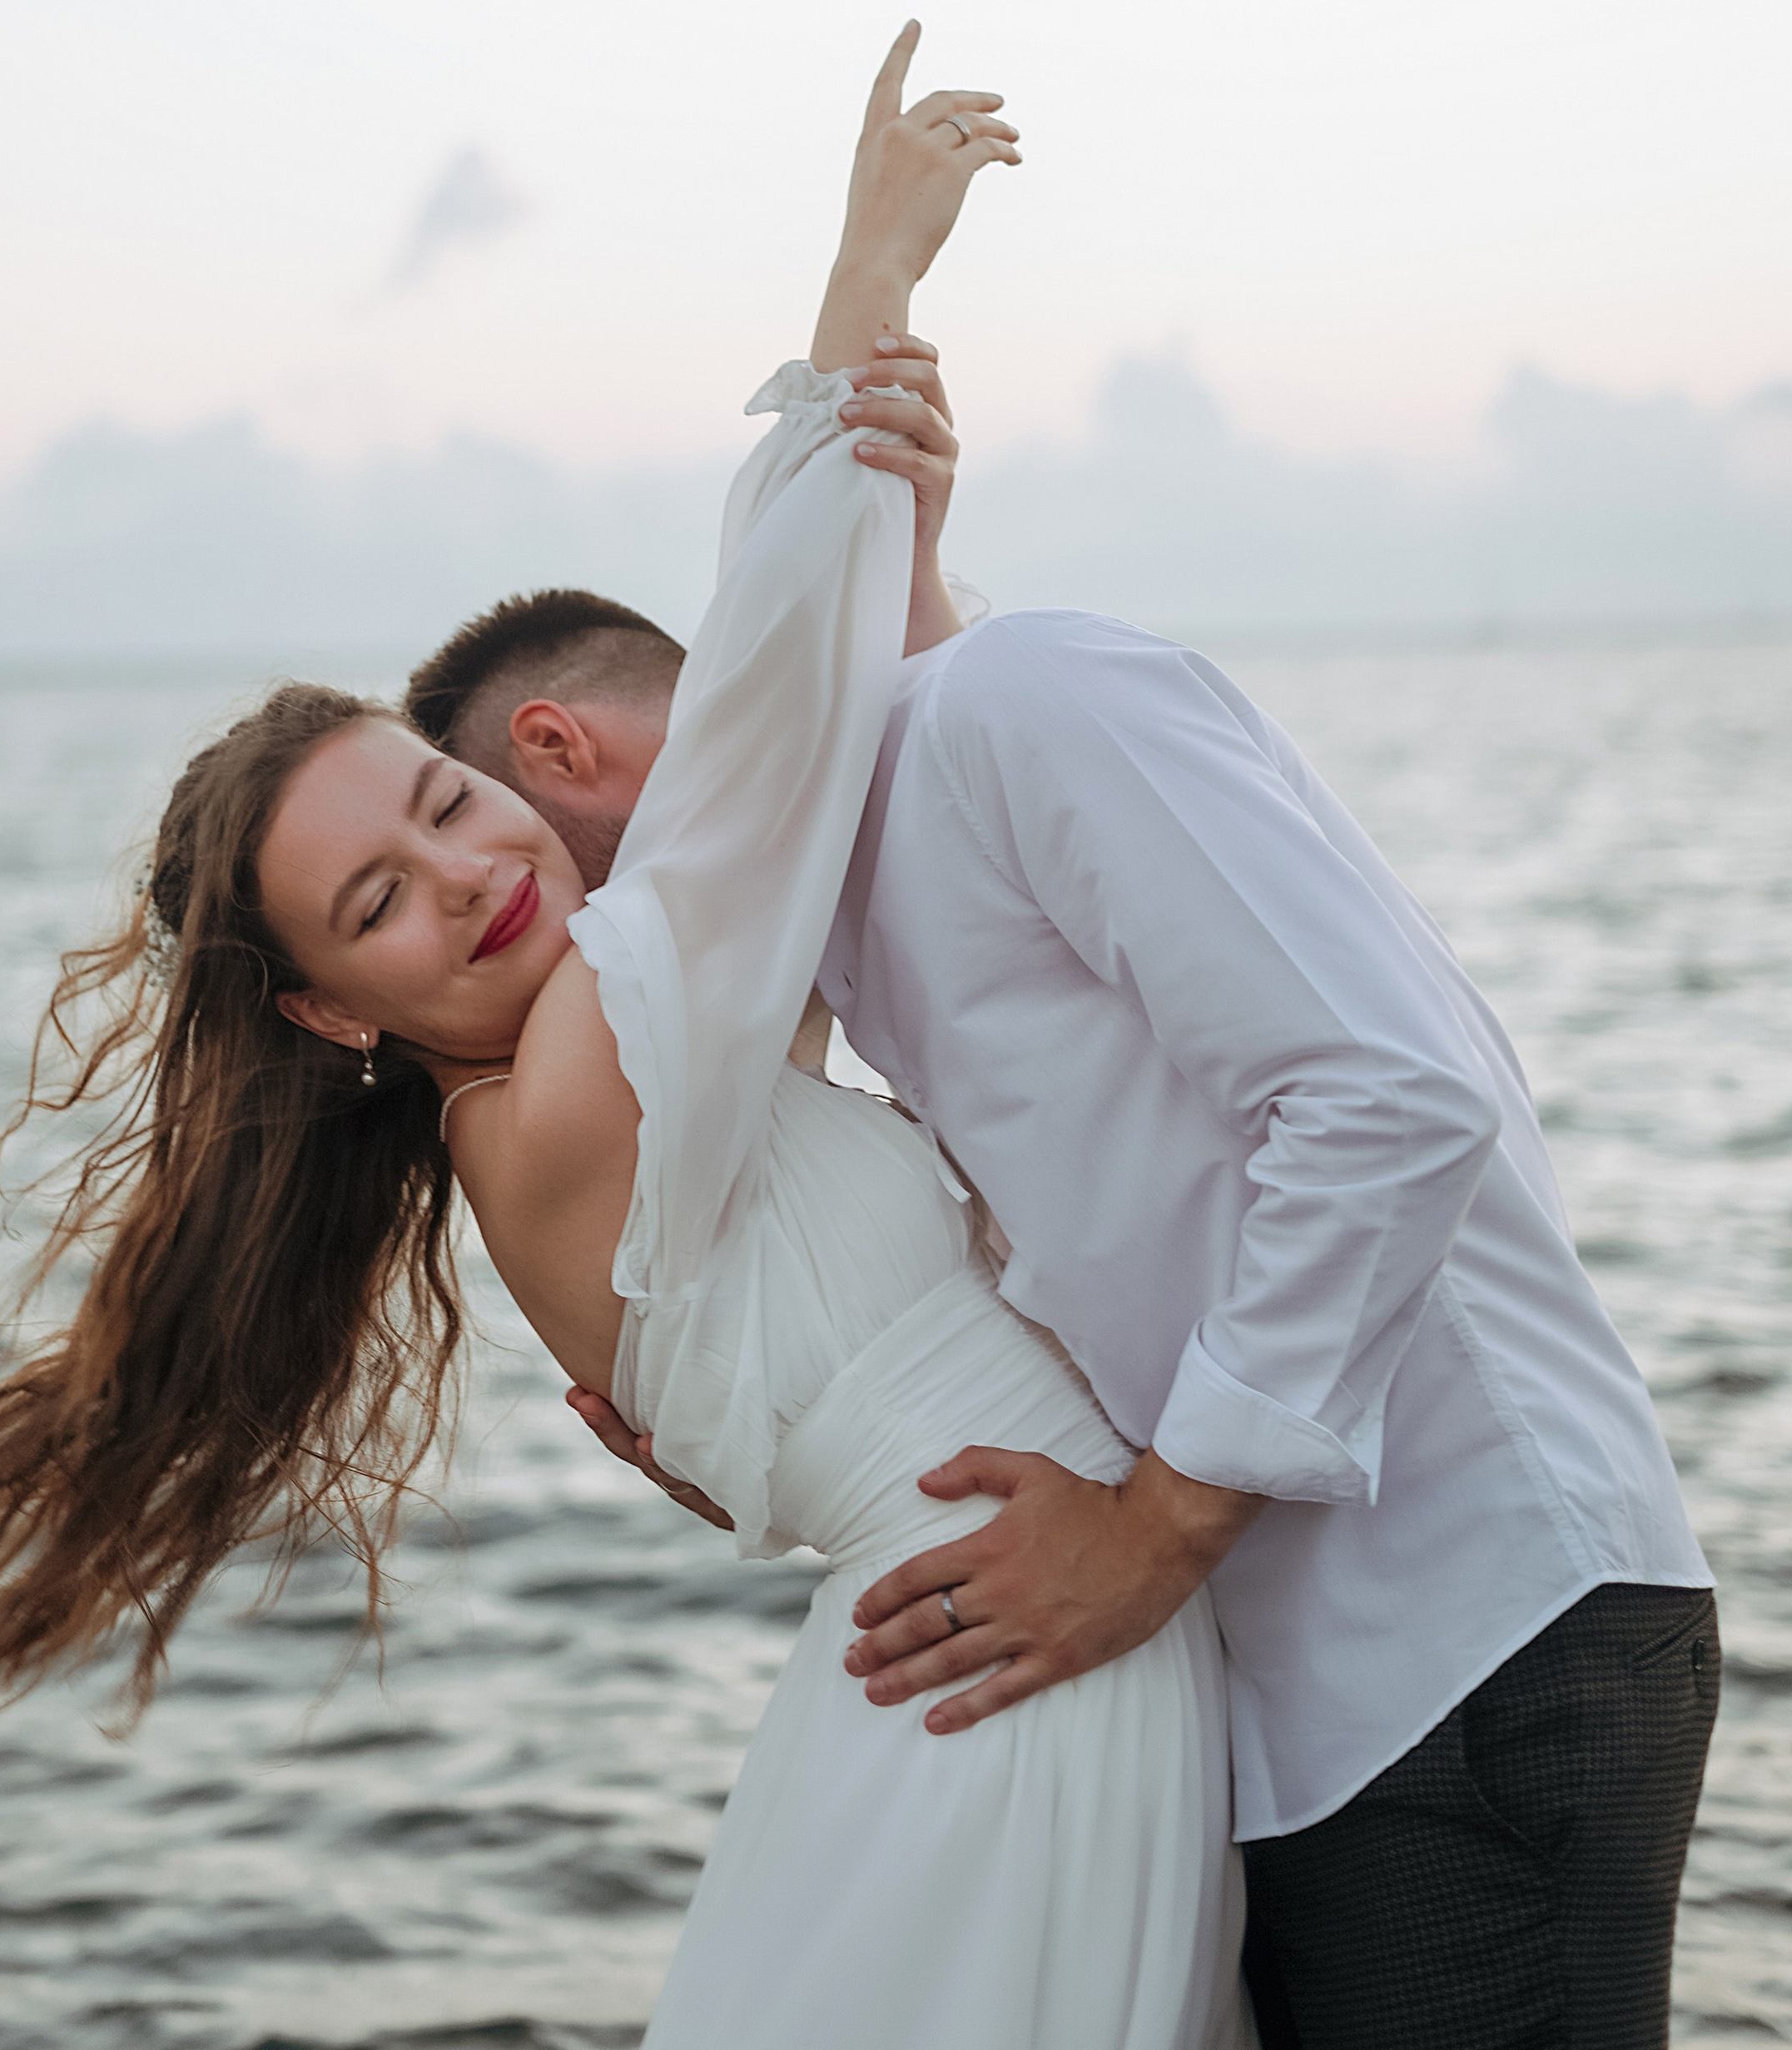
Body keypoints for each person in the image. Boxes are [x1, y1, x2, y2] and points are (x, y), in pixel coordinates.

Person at [0, 30, 1253, 2050]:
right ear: (333, 1010)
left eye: (441, 803)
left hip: (1003, 1657)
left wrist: (907, 541)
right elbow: (757, 737)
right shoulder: (569, 1094)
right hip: (1007, 1687)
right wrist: (866, 279)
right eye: (376, 903)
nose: (467, 872)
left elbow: (836, 825)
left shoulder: (617, 1090)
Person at [409, 186, 1718, 2050]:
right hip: (1275, 1697)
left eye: (554, 899)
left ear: (560, 755)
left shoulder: (1018, 707)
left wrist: (1160, 1527)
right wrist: (752, 1414)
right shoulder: (840, 945)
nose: (588, 983)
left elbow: (1391, 1097)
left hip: (1466, 1622)